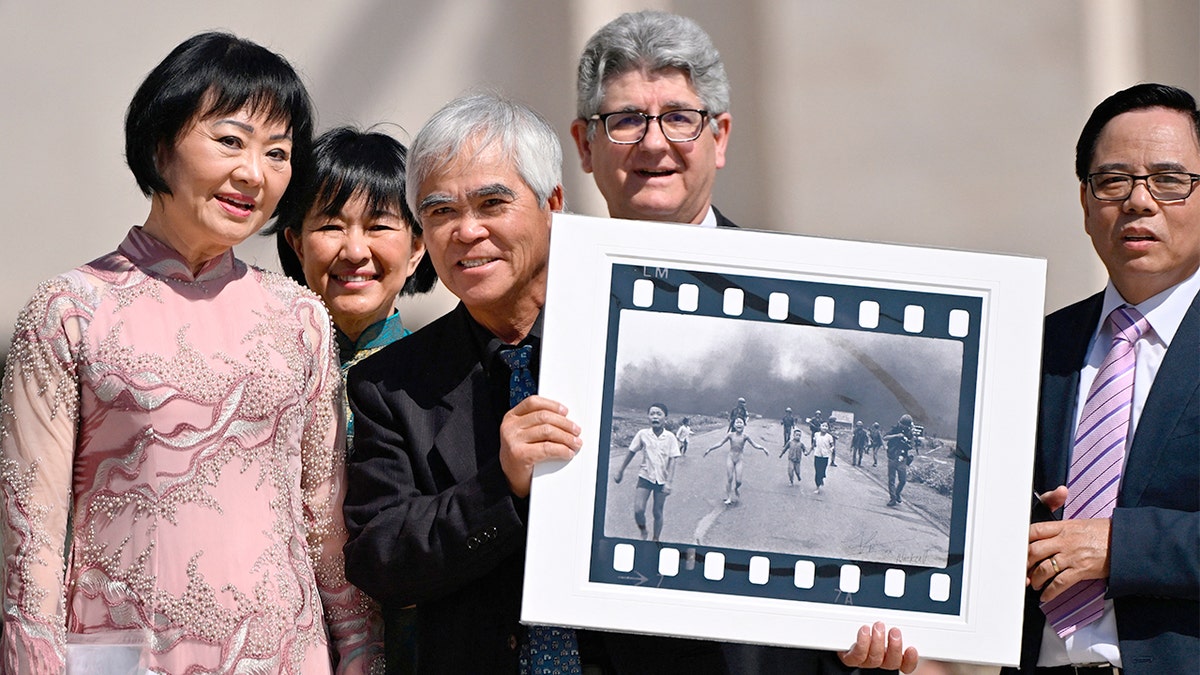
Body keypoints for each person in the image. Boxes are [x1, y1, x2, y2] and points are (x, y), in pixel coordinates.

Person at [0, 32, 382, 672]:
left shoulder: (299, 320)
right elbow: (29, 536)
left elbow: (325, 519)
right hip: (126, 656)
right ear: (159, 142)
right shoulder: (71, 312)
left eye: (278, 152)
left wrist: (360, 654)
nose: (254, 173)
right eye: (230, 140)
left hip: (285, 656)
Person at [571, 11, 917, 674]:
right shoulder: (545, 310)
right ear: (585, 146)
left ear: (720, 136)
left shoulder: (805, 305)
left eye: (679, 117)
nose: (653, 143)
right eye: (625, 120)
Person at [1010, 83, 1199, 675]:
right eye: (1113, 181)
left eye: (1169, 180)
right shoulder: (1032, 346)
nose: (1139, 202)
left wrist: (1119, 545)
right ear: (1086, 203)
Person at [271, 125, 438, 671]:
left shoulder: (442, 379)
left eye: (380, 226)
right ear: (296, 242)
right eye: (331, 226)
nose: (355, 250)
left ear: (418, 248)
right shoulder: (259, 373)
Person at [614, 403, 681, 541]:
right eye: (652, 414)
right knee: (638, 510)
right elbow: (631, 452)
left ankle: (655, 539)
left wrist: (669, 483)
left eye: (658, 414)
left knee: (657, 512)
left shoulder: (670, 437)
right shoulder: (642, 434)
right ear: (648, 418)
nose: (655, 417)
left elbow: (673, 460)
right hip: (645, 477)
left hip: (662, 480)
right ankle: (643, 530)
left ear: (665, 418)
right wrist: (621, 470)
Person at [704, 417, 768, 505]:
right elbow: (720, 443)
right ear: (734, 425)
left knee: (739, 481)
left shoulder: (745, 436)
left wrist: (763, 448)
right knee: (730, 478)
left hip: (739, 459)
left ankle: (736, 488)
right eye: (737, 423)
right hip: (730, 458)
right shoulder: (730, 435)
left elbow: (754, 444)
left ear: (744, 425)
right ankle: (729, 497)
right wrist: (710, 449)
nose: (739, 424)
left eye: (741, 423)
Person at [883, 415, 916, 507]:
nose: (904, 427)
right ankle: (892, 498)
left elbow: (912, 445)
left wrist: (910, 443)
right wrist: (896, 436)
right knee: (891, 479)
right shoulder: (894, 429)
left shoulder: (909, 433)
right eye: (903, 425)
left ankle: (897, 493)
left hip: (902, 458)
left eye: (906, 426)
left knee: (903, 480)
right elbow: (885, 437)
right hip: (892, 457)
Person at [811, 422, 836, 494]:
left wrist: (831, 449)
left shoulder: (829, 437)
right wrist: (809, 451)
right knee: (817, 471)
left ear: (828, 428)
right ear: (820, 427)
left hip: (825, 456)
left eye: (826, 426)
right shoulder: (816, 434)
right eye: (823, 426)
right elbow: (814, 444)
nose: (824, 427)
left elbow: (832, 445)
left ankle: (821, 477)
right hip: (817, 455)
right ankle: (817, 486)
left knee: (822, 471)